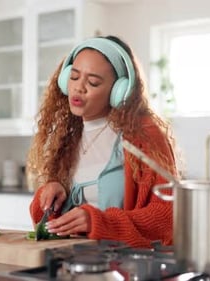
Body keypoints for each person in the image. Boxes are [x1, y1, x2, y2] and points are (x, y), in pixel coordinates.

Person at [26, 35, 179, 248]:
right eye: (74, 76)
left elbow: (167, 216)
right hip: (72, 265)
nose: (79, 88)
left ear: (119, 91)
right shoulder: (67, 135)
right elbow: (50, 226)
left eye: (93, 82)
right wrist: (49, 195)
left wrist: (99, 222)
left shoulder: (144, 134)